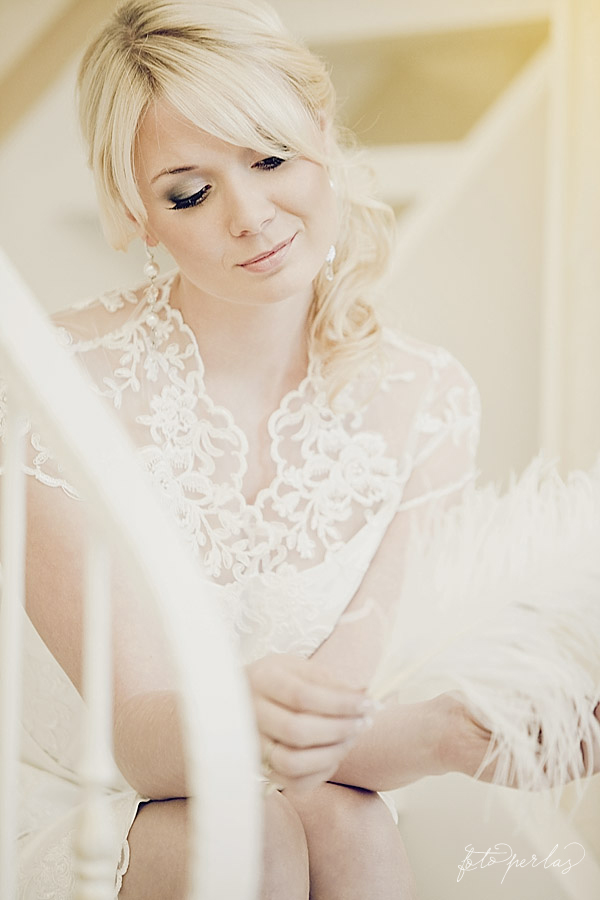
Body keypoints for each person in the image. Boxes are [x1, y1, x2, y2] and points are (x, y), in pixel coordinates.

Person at [4, 1, 599, 898]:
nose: (250, 215)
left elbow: (327, 738)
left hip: (287, 800)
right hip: (86, 801)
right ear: (136, 214)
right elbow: (140, 747)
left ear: (322, 133)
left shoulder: (427, 404)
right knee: (259, 838)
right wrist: (239, 710)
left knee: (346, 820)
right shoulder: (58, 385)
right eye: (190, 193)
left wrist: (452, 733)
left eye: (271, 157)